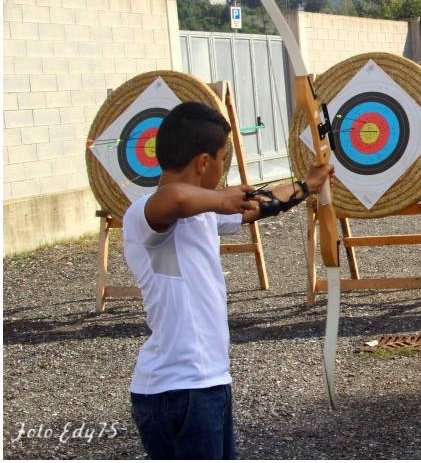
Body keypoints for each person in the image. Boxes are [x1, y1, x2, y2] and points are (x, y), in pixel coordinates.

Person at [122, 101, 333, 459]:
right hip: (177, 390)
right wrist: (220, 199)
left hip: (205, 384)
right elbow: (173, 197)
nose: (223, 169)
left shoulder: (203, 212)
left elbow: (260, 203)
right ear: (204, 163)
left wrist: (306, 186)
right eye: (222, 158)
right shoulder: (144, 215)